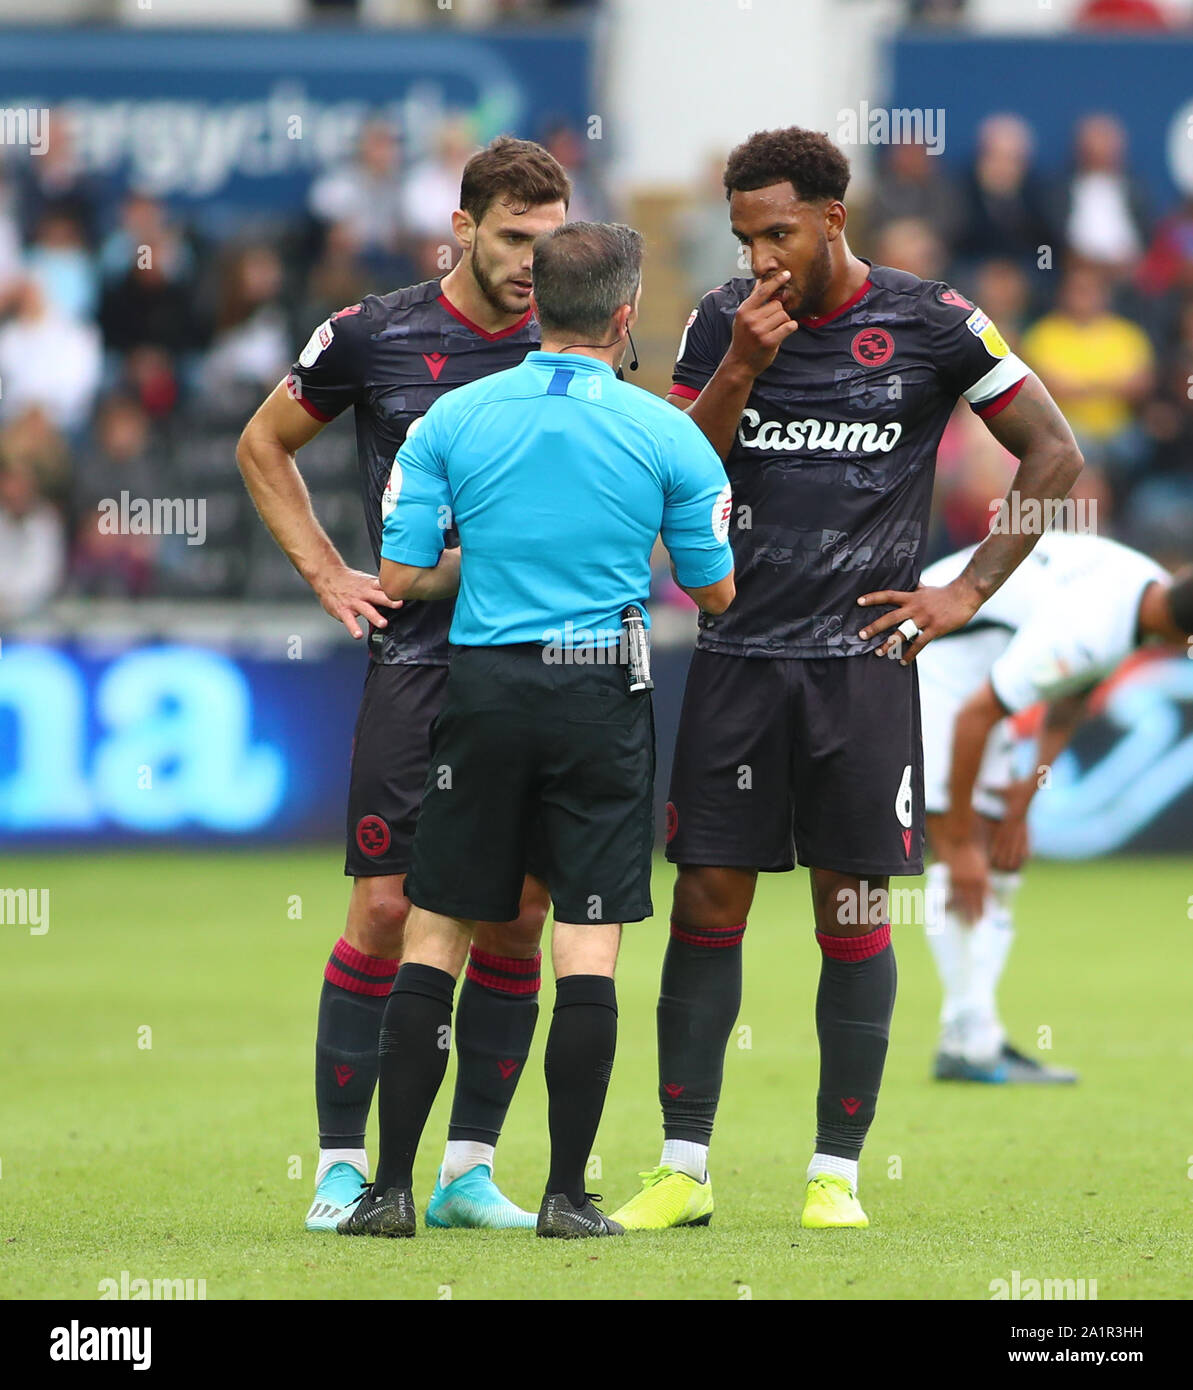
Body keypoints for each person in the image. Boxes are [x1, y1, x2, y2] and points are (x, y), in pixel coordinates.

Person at [610, 125, 1083, 1233]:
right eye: (743, 237)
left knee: (854, 909)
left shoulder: (931, 320)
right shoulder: (727, 320)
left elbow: (1054, 453)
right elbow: (680, 471)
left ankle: (835, 1175)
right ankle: (683, 1168)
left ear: (833, 217)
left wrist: (961, 592)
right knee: (706, 901)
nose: (759, 256)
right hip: (735, 655)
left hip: (863, 668)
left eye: (777, 232)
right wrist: (738, 368)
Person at [337, 221, 735, 1240]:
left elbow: (399, 578)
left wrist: (502, 556)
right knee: (585, 945)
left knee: (436, 931)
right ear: (622, 314)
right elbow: (713, 588)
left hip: (481, 690)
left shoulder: (448, 421)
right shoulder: (666, 433)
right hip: (598, 690)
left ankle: (385, 1189)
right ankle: (565, 1194)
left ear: (533, 306)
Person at [237, 136, 570, 1233]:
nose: (533, 261)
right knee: (384, 907)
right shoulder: (374, 333)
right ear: (463, 229)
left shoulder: (569, 344)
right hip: (420, 659)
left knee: (518, 919)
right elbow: (262, 445)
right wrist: (327, 571)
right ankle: (340, 1168)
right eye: (515, 238)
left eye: (551, 240)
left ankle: (467, 1171)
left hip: (536, 662)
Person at [917, 532, 1193, 1080]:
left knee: (1002, 857)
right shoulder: (1094, 630)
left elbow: (1071, 695)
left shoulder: (1144, 587)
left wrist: (1027, 794)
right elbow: (976, 716)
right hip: (933, 667)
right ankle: (968, 1041)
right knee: (967, 860)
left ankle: (975, 1036)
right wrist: (954, 840)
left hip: (972, 672)